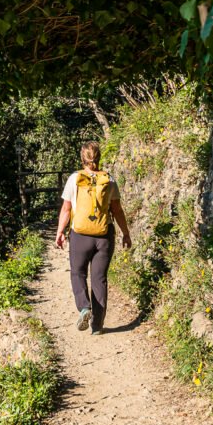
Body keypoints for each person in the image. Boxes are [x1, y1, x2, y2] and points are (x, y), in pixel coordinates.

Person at [55, 141, 132, 334]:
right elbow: (118, 210)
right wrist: (126, 233)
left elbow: (66, 209)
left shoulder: (74, 179)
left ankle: (84, 307)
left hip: (80, 235)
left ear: (82, 158)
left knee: (78, 273)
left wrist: (60, 232)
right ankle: (97, 326)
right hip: (104, 235)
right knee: (99, 279)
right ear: (99, 157)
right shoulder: (109, 179)